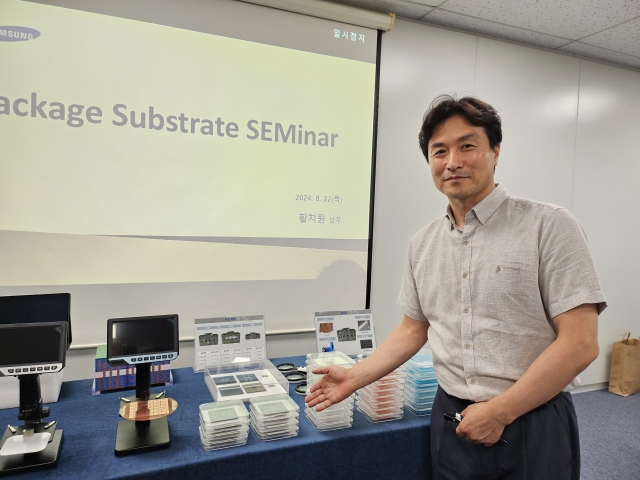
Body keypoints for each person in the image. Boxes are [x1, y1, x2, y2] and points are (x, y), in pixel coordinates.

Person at [305, 95, 606, 480]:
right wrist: (356, 376)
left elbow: (580, 342)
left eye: (467, 146)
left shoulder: (549, 226)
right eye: (439, 151)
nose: (453, 162)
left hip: (532, 416)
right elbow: (413, 329)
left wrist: (500, 411)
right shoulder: (422, 244)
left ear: (495, 151)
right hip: (451, 417)